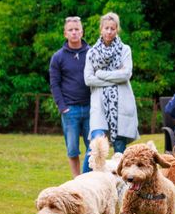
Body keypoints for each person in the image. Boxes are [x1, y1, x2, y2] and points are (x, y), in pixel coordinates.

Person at [83, 12, 139, 172]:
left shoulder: (124, 50)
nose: (109, 31)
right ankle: (83, 183)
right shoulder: (92, 53)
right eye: (106, 28)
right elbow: (88, 79)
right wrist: (115, 75)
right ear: (101, 29)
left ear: (117, 30)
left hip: (121, 106)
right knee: (95, 147)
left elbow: (126, 74)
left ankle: (121, 189)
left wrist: (100, 74)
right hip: (99, 106)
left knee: (120, 151)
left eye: (112, 28)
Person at [49, 16, 91, 178]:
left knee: (93, 148)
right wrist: (63, 107)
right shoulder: (58, 57)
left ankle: (89, 178)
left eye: (77, 29)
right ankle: (76, 180)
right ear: (65, 33)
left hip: (90, 108)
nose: (74, 33)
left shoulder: (91, 52)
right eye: (70, 30)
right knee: (73, 149)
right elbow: (54, 84)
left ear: (82, 31)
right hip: (70, 110)